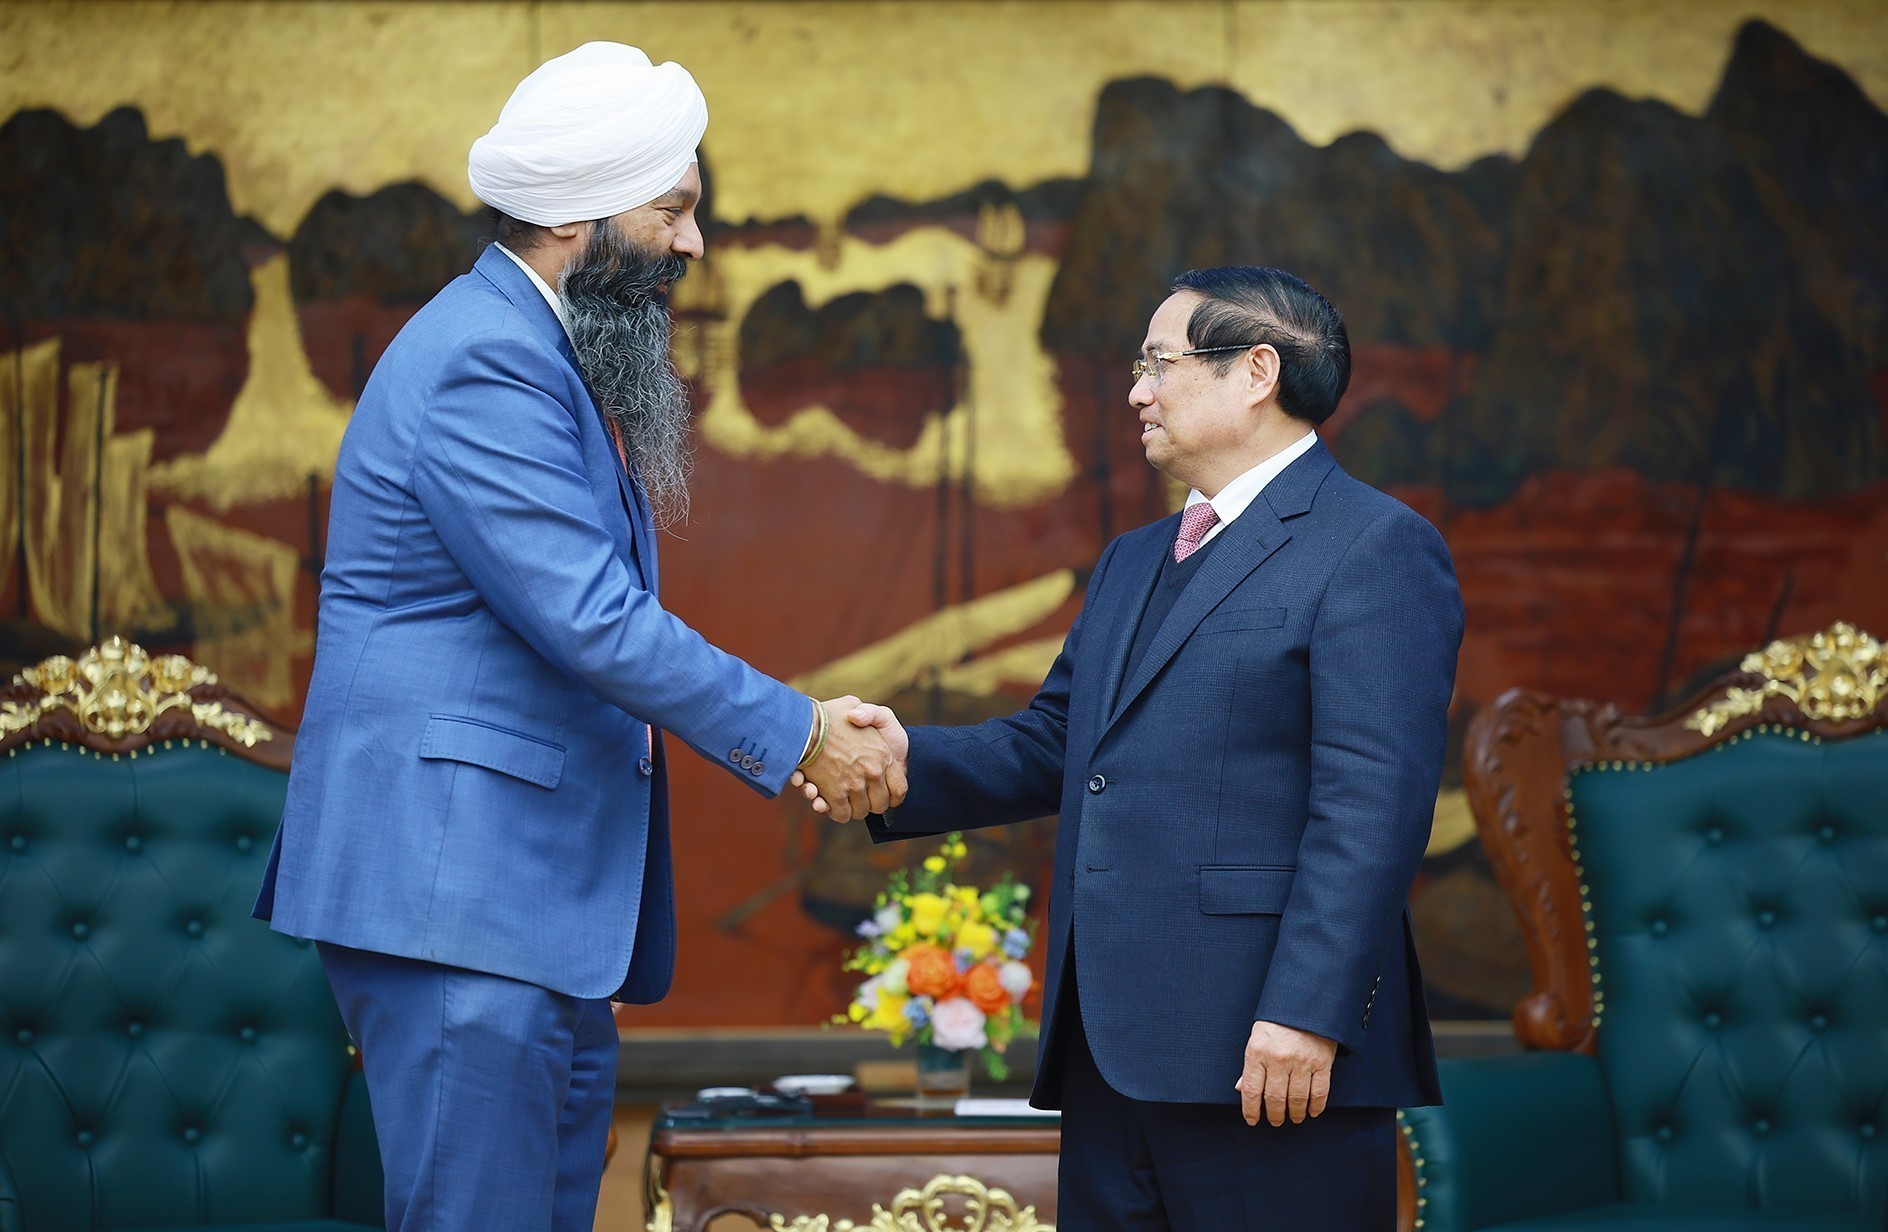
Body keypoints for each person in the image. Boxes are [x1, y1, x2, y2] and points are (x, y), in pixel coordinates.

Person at [253, 42, 902, 1232]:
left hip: (524, 909)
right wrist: (802, 730)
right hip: (460, 897)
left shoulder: (535, 344)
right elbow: (594, 620)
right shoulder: (487, 357)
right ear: (575, 215)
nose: (693, 243)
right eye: (673, 210)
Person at [805, 267, 1462, 1228]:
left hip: (1270, 1056)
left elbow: (1372, 808)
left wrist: (1308, 1013)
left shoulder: (1374, 546)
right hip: (1108, 1053)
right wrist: (899, 760)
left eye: (1159, 363)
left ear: (1257, 372)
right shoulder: (1135, 558)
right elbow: (1057, 744)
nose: (1136, 393)